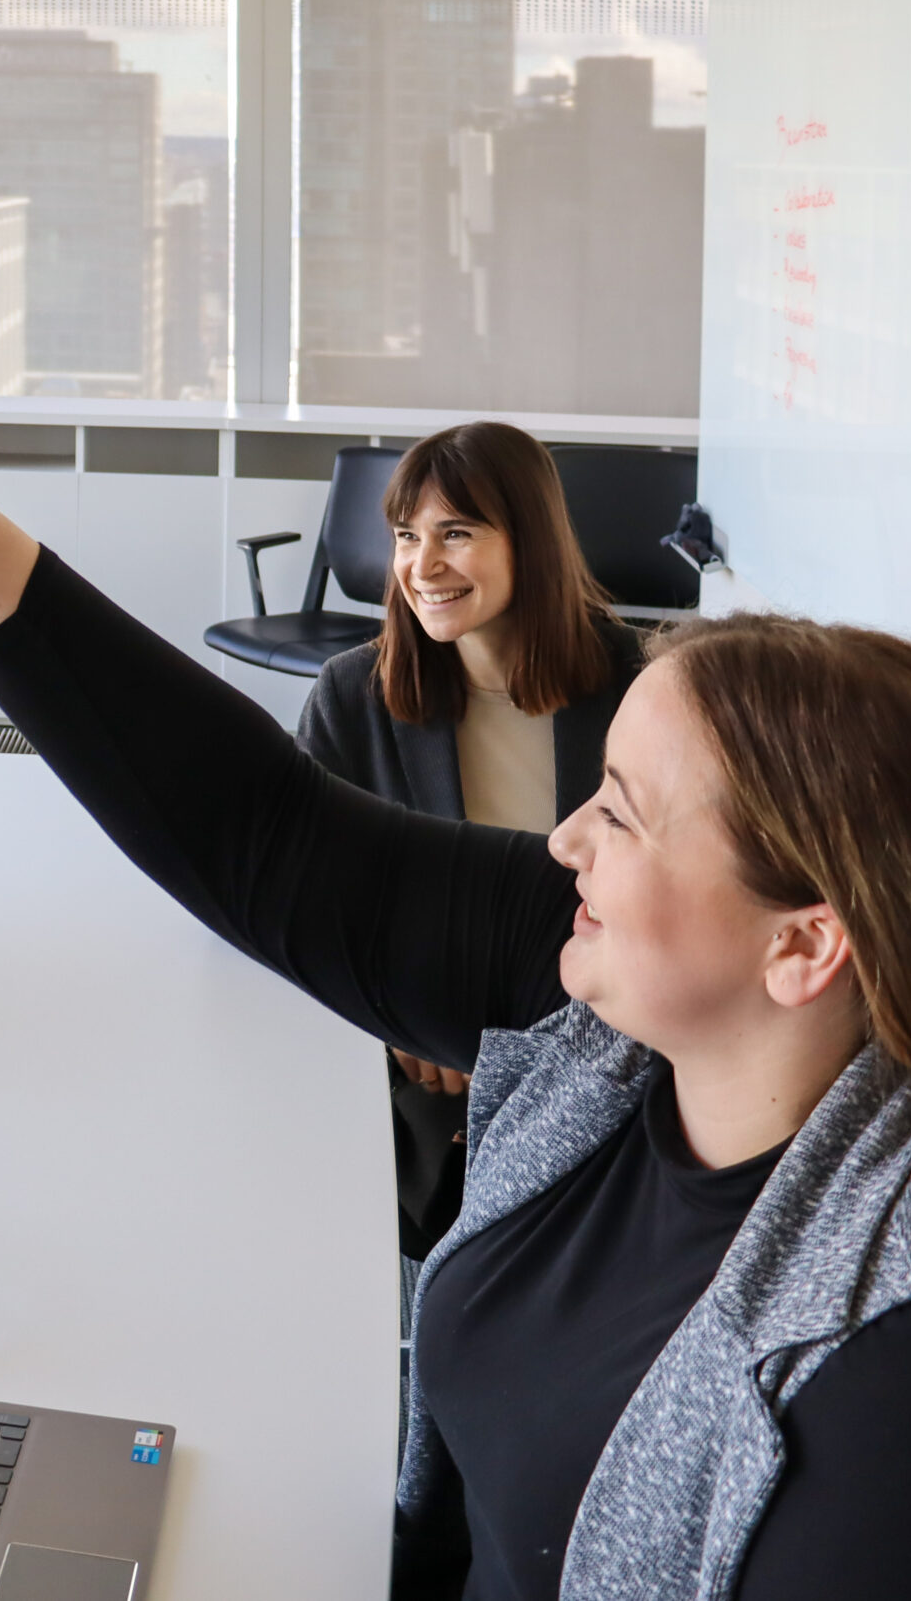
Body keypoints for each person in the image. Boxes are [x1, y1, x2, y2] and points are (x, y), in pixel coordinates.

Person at [0, 219, 911, 1600]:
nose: (566, 837)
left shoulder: (909, 1355)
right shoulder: (616, 1026)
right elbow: (266, 836)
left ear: (802, 943)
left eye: (618, 812)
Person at [296, 423, 645, 1256]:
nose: (423, 564)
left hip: (592, 1050)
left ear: (530, 538)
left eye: (457, 533)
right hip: (418, 1072)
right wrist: (406, 1019)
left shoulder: (633, 689)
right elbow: (304, 895)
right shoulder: (353, 697)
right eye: (409, 537)